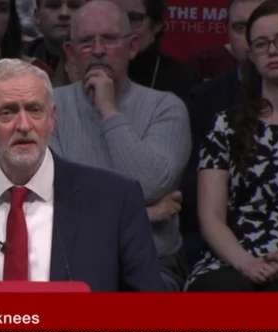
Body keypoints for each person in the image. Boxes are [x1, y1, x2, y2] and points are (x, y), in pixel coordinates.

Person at [0, 58, 173, 332]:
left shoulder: (114, 197)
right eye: (7, 112)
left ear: (51, 119)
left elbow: (149, 306)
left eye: (34, 110)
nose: (24, 125)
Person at [50, 0, 191, 291]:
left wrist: (109, 112)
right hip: (69, 262)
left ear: (133, 47)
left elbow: (150, 183)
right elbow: (54, 200)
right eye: (87, 41)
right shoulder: (48, 106)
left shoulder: (166, 108)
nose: (99, 50)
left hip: (149, 263)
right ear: (70, 53)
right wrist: (147, 214)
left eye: (110, 39)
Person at [186, 0, 278, 332]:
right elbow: (211, 217)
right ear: (250, 54)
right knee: (219, 298)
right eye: (262, 44)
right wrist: (247, 263)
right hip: (234, 256)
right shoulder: (227, 123)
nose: (273, 50)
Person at [180, 0, 266, 268]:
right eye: (242, 28)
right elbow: (190, 190)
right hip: (218, 239)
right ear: (227, 34)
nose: (254, 39)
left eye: (262, 27)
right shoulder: (203, 100)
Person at [112, 0, 200, 100]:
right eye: (114, 17)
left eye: (133, 18)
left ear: (156, 25)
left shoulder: (184, 79)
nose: (122, 27)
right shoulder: (95, 70)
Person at [24, 0, 83, 86]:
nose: (64, 13)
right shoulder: (18, 57)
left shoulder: (102, 57)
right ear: (37, 16)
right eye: (53, 6)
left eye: (74, 6)